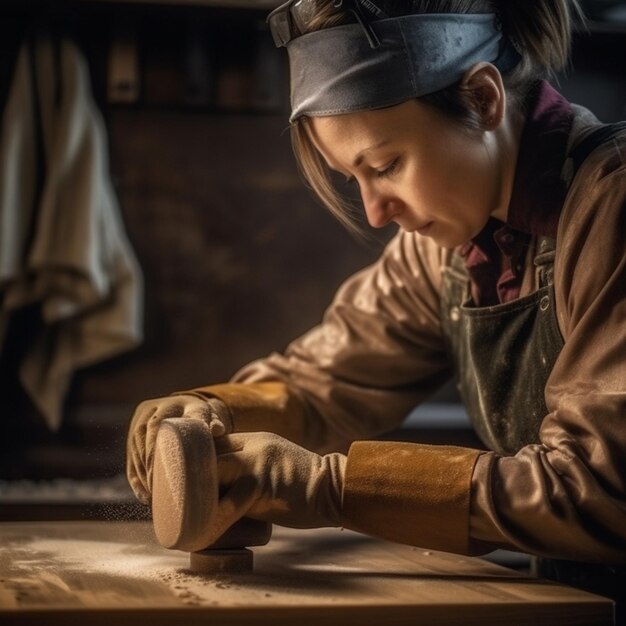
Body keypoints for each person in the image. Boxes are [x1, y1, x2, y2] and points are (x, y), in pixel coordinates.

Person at [127, 0, 626, 616]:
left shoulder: (612, 210)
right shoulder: (442, 248)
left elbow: (598, 489)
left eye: (385, 166)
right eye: (352, 178)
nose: (374, 212)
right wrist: (215, 409)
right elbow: (321, 387)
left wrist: (331, 488)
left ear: (482, 99)